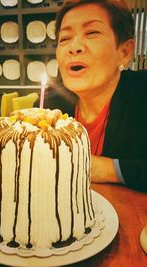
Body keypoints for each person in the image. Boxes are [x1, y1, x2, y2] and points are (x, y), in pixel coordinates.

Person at [42, 0, 147, 192]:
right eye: (65, 38)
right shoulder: (49, 106)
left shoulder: (142, 95)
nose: (74, 47)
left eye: (92, 33)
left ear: (124, 52)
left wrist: (109, 169)